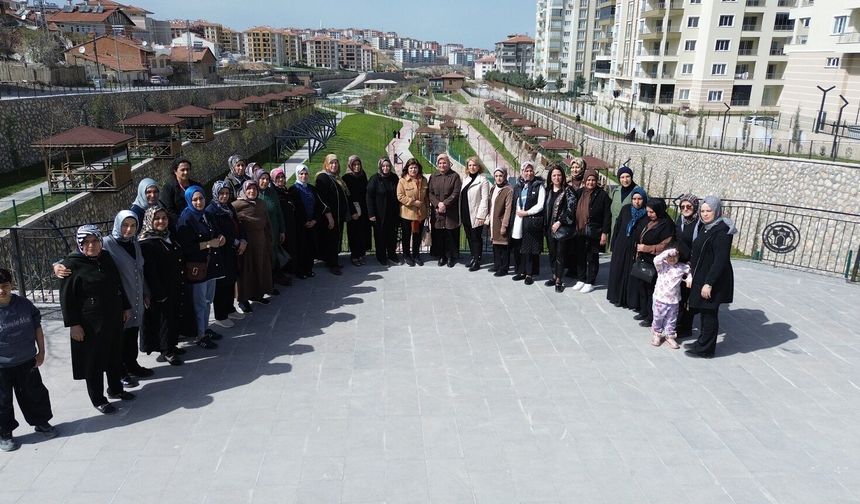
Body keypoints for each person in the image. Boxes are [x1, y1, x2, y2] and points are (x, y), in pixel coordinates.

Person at [60, 225, 132, 415]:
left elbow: (117, 283)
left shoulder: (105, 257)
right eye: (86, 242)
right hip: (90, 323)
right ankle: (98, 399)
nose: (91, 245)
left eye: (95, 241)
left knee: (114, 354)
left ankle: (116, 389)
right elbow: (67, 298)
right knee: (94, 362)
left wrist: (125, 306)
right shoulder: (71, 265)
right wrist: (73, 325)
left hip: (113, 317)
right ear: (80, 244)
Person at [0, 268, 56, 451]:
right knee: (2, 401)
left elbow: (37, 327)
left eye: (5, 286)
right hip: (2, 366)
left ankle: (41, 422)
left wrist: (41, 352)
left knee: (34, 393)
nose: (1, 290)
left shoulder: (24, 304)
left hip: (26, 360)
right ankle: (5, 433)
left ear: (11, 285)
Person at [102, 210, 153, 386]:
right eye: (125, 225)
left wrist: (146, 292)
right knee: (119, 339)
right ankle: (120, 372)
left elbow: (140, 271)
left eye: (132, 226)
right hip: (119, 302)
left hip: (136, 298)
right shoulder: (106, 244)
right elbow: (82, 255)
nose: (129, 229)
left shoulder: (134, 243)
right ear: (118, 224)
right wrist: (58, 266)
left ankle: (132, 365)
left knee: (132, 335)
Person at [684, 196, 737, 359]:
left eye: (709, 211)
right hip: (702, 274)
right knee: (704, 311)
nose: (705, 214)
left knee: (709, 313)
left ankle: (706, 349)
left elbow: (720, 260)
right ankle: (702, 342)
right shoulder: (706, 226)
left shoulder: (722, 231)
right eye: (703, 211)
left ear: (717, 211)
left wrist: (709, 283)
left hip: (713, 279)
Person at [176, 186, 225, 350]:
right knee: (200, 303)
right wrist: (209, 244)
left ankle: (205, 328)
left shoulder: (207, 214)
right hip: (197, 267)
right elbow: (187, 247)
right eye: (195, 199)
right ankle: (200, 335)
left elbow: (215, 231)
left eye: (201, 198)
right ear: (189, 200)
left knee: (208, 300)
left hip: (210, 265)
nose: (198, 202)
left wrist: (220, 237)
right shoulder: (186, 219)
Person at [138, 207, 185, 366]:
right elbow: (150, 272)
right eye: (156, 218)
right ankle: (166, 350)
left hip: (173, 285)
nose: (161, 221)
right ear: (149, 220)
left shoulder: (167, 236)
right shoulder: (146, 242)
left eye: (164, 218)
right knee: (163, 320)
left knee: (172, 317)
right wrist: (159, 293)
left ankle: (172, 344)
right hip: (161, 289)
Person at [205, 181, 247, 328]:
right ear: (215, 193)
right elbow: (218, 232)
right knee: (222, 283)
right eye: (221, 193)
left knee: (231, 279)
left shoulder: (229, 207)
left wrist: (243, 240)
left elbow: (238, 225)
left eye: (227, 193)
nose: (224, 196)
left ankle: (230, 309)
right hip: (221, 251)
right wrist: (236, 242)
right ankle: (221, 315)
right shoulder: (211, 210)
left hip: (232, 250)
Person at [631, 199, 675, 325]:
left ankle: (651, 316)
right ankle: (644, 311)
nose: (649, 214)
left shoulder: (667, 225)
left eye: (652, 212)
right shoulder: (651, 220)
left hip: (656, 262)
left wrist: (647, 248)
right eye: (648, 211)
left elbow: (665, 245)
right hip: (644, 259)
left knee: (651, 290)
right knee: (642, 287)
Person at [232, 180, 274, 311]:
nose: (252, 191)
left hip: (261, 242)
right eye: (249, 188)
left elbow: (267, 222)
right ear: (244, 190)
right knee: (246, 271)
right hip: (245, 244)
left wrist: (269, 238)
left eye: (254, 188)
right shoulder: (236, 205)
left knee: (260, 268)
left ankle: (258, 294)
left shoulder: (261, 203)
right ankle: (243, 300)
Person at [606, 187, 648, 307]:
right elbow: (617, 227)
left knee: (631, 275)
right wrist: (613, 245)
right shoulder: (625, 209)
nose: (637, 202)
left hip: (635, 249)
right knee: (618, 272)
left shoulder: (647, 213)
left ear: (644, 199)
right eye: (634, 199)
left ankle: (630, 301)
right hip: (621, 246)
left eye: (639, 199)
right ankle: (616, 297)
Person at [316, 154, 356, 275]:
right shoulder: (322, 178)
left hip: (338, 216)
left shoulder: (337, 178)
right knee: (331, 239)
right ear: (326, 165)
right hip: (330, 217)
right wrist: (329, 217)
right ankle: (332, 264)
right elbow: (322, 199)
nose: (334, 165)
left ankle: (333, 261)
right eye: (331, 163)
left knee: (336, 238)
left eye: (336, 163)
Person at [572, 169, 610, 293]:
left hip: (594, 231)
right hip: (580, 230)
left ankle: (590, 281)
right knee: (580, 256)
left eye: (593, 180)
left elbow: (607, 216)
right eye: (588, 180)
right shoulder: (580, 193)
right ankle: (581, 279)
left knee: (592, 257)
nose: (590, 182)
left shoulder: (602, 195)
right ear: (585, 180)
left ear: (596, 181)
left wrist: (604, 233)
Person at [289, 165, 329, 279]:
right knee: (301, 247)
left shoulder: (312, 188)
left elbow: (318, 206)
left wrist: (315, 220)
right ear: (297, 175)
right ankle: (300, 270)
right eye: (301, 174)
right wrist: (304, 221)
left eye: (306, 174)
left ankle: (309, 269)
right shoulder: (293, 190)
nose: (304, 176)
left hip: (312, 224)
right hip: (300, 225)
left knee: (311, 247)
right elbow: (295, 209)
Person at [251, 164, 288, 287]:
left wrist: (282, 230)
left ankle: (274, 279)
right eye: (262, 179)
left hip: (274, 229)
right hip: (261, 232)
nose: (265, 181)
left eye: (267, 179)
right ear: (257, 179)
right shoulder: (254, 193)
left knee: (273, 254)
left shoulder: (271, 192)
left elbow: (278, 211)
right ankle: (266, 284)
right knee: (264, 257)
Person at [510, 162, 545, 285]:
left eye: (531, 171)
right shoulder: (518, 186)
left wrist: (527, 213)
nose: (529, 173)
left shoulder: (539, 186)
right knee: (519, 248)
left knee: (529, 249)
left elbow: (540, 205)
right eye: (526, 171)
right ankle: (521, 272)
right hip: (519, 221)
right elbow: (515, 203)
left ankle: (529, 274)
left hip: (531, 221)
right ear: (522, 172)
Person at [544, 164, 576, 293]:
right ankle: (554, 276)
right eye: (554, 175)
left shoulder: (568, 190)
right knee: (552, 254)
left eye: (559, 175)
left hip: (561, 229)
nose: (556, 178)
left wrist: (560, 222)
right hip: (549, 228)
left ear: (562, 176)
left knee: (560, 255)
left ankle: (558, 280)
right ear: (550, 177)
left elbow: (571, 209)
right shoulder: (548, 190)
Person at [650, 244, 691, 349]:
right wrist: (667, 252)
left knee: (671, 319)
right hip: (660, 298)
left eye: (675, 256)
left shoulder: (682, 267)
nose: (672, 259)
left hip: (674, 300)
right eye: (669, 256)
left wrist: (689, 278)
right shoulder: (662, 265)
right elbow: (656, 260)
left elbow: (689, 271)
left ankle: (670, 335)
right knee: (658, 318)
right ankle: (657, 334)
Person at [428, 153, 462, 267]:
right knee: (440, 234)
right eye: (440, 163)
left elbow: (456, 192)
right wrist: (438, 204)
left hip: (450, 211)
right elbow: (430, 193)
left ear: (448, 163)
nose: (442, 165)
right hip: (437, 211)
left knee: (450, 234)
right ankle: (442, 256)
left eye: (444, 163)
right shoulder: (433, 176)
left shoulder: (455, 176)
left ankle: (451, 256)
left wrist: (445, 204)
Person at [366, 157, 401, 266]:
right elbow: (369, 197)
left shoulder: (394, 178)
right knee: (380, 236)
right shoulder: (374, 179)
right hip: (379, 214)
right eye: (383, 166)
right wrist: (371, 214)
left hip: (392, 213)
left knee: (392, 235)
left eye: (388, 166)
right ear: (380, 167)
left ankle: (391, 254)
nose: (386, 168)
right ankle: (381, 256)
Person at [674, 193, 701, 335]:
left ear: (695, 206)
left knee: (687, 297)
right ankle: (677, 323)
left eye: (688, 206)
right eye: (682, 206)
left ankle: (685, 327)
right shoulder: (681, 220)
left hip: (692, 264)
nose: (685, 209)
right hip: (680, 262)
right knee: (679, 294)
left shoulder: (699, 223)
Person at [460, 156, 490, 272]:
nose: (472, 167)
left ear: (479, 167)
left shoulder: (483, 180)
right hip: (465, 213)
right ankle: (474, 257)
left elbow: (484, 199)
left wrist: (481, 215)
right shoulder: (466, 179)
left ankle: (477, 260)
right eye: (470, 165)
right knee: (469, 237)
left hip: (476, 214)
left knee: (476, 238)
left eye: (474, 165)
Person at [397, 158, 429, 266]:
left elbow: (426, 197)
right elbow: (400, 196)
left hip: (420, 214)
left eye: (415, 167)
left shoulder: (423, 180)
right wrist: (413, 202)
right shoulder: (402, 181)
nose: (413, 170)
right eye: (411, 168)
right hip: (407, 214)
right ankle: (406, 255)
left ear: (418, 168)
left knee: (417, 236)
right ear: (407, 169)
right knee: (406, 236)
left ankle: (416, 255)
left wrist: (427, 211)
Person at [343, 155, 371, 266]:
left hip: (363, 208)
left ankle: (361, 254)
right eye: (354, 165)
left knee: (362, 232)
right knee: (354, 233)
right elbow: (347, 196)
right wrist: (352, 211)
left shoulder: (362, 175)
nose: (357, 167)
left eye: (358, 164)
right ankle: (354, 255)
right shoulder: (346, 178)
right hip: (353, 210)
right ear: (350, 165)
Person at [271, 166, 299, 275]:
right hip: (282, 227)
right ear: (273, 179)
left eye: (282, 177)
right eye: (278, 177)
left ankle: (293, 269)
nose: (281, 179)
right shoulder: (275, 193)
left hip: (291, 224)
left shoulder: (285, 190)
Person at [160, 158, 201, 229]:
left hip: (197, 221)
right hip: (179, 225)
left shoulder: (196, 186)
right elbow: (169, 210)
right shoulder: (168, 188)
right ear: (175, 171)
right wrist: (181, 222)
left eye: (187, 169)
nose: (186, 172)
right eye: (182, 170)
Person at [488, 166, 513, 276]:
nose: (498, 178)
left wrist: (504, 225)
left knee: (503, 246)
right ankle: (497, 265)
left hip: (501, 221)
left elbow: (508, 209)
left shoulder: (508, 190)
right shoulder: (493, 188)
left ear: (505, 176)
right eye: (496, 176)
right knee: (495, 244)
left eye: (501, 176)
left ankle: (504, 268)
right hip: (493, 221)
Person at [609, 165, 638, 242]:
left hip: (630, 229)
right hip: (614, 228)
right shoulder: (616, 191)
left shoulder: (638, 192)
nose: (625, 180)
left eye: (627, 177)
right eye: (622, 177)